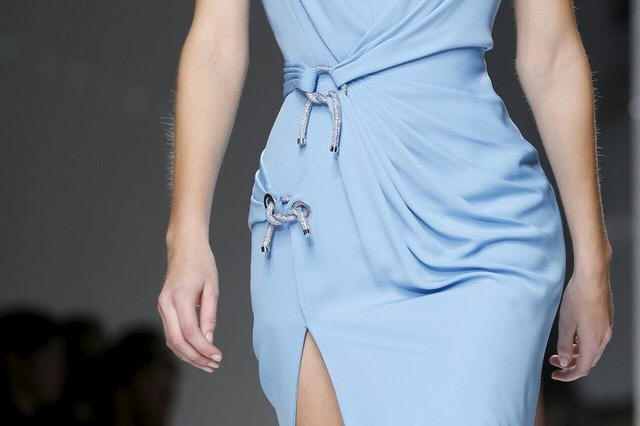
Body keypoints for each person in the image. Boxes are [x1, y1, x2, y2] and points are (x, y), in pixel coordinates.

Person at [157, 0, 614, 425]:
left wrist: (593, 261)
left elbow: (551, 55)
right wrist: (186, 237)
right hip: (320, 220)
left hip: (479, 226)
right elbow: (215, 45)